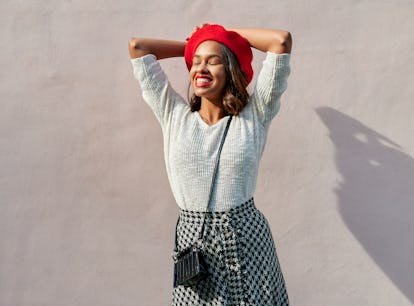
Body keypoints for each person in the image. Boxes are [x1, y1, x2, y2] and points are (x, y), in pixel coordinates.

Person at [128, 23, 292, 306]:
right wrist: (197, 42)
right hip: (195, 241)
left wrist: (222, 33)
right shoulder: (173, 114)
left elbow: (280, 41)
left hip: (246, 235)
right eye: (196, 62)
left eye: (214, 61)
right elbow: (138, 47)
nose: (201, 68)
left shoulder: (255, 115)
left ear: (231, 70)